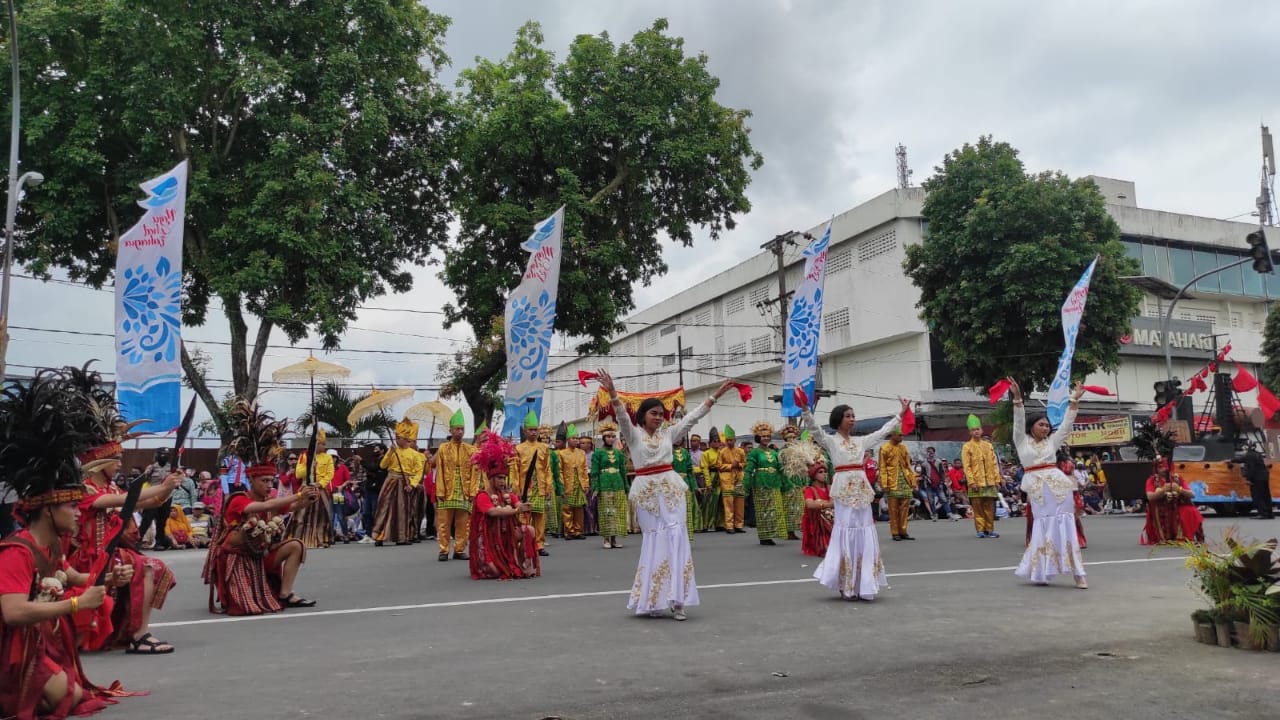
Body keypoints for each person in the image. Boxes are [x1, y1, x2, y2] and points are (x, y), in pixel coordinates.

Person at [0, 367, 138, 719]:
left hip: (33, 641)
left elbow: (75, 579)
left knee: (73, 694)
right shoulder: (17, 551)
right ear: (48, 510)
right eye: (72, 505)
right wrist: (75, 606)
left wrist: (108, 581)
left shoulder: (53, 547)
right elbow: (13, 613)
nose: (80, 512)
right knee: (71, 698)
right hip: (8, 647)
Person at [595, 370, 736, 620]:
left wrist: (716, 395)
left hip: (671, 490)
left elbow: (693, 418)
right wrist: (613, 392)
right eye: (654, 413)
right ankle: (653, 600)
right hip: (647, 492)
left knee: (676, 537)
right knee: (655, 541)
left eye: (661, 414)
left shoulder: (669, 434)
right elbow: (621, 417)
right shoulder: (634, 434)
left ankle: (678, 600)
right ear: (643, 415)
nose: (659, 418)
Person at [203, 401, 321, 615]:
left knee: (296, 545)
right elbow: (268, 505)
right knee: (247, 607)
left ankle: (286, 594)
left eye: (271, 480)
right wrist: (298, 494)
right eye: (264, 481)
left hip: (261, 556)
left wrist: (308, 499)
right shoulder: (240, 499)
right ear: (253, 480)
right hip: (239, 559)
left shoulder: (273, 498)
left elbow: (292, 506)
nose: (269, 485)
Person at [799, 391, 908, 600]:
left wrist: (900, 414)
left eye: (853, 416)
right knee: (846, 532)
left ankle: (863, 583)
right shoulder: (831, 441)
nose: (852, 419)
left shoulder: (861, 442)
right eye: (848, 416)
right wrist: (805, 409)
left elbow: (883, 431)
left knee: (864, 533)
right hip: (843, 493)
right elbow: (814, 429)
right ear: (839, 420)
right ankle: (845, 583)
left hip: (862, 492)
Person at [1009, 379, 1088, 589]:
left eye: (1047, 425)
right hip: (1037, 490)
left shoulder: (1052, 442)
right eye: (1041, 424)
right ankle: (1041, 571)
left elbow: (1066, 424)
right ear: (1032, 426)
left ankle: (1079, 574)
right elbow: (1018, 421)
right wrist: (1017, 398)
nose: (1045, 428)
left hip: (1059, 489)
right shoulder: (1021, 441)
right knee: (1041, 528)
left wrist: (1073, 400)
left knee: (1066, 526)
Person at [372, 419, 425, 546]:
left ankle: (402, 537)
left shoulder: (415, 454)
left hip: (405, 483)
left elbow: (419, 472)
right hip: (390, 481)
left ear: (406, 439)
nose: (396, 440)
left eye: (399, 438)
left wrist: (412, 485)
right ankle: (379, 536)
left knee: (402, 510)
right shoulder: (393, 451)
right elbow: (383, 465)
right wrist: (390, 452)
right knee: (384, 507)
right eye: (396, 437)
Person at [434, 409, 478, 561]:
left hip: (464, 491)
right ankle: (444, 550)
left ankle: (459, 549)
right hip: (447, 490)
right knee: (444, 523)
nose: (459, 432)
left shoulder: (470, 449)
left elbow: (475, 471)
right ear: (451, 430)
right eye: (457, 429)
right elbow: (439, 470)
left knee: (463, 523)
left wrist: (473, 491)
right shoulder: (443, 448)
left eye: (462, 429)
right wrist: (439, 490)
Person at [511, 411, 554, 557]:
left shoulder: (544, 448)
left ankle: (539, 545)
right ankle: (524, 542)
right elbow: (515, 470)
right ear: (525, 430)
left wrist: (548, 486)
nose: (534, 432)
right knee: (524, 517)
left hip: (540, 486)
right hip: (525, 488)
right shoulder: (518, 448)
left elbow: (548, 469)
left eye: (536, 429)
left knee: (540, 517)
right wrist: (516, 488)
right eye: (531, 429)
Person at [290, 429, 337, 548]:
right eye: (322, 444)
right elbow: (298, 474)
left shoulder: (327, 458)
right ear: (315, 444)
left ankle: (320, 540)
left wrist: (320, 484)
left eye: (324, 444)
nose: (324, 446)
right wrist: (310, 466)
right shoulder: (304, 455)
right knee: (300, 516)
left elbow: (330, 474)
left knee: (321, 517)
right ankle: (298, 540)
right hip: (306, 488)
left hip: (320, 489)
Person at [1140, 459, 1205, 545]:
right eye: (1160, 467)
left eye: (1166, 467)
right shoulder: (1152, 480)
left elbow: (1192, 494)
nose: (1164, 469)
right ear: (1156, 469)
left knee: (1191, 511)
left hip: (1177, 506)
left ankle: (1189, 537)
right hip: (1159, 508)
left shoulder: (1177, 479)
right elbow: (1150, 497)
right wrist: (1163, 491)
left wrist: (1179, 489)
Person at [744, 421, 787, 546]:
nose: (766, 438)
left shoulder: (774, 453)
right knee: (763, 509)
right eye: (763, 436)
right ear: (758, 437)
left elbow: (780, 469)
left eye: (768, 436)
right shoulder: (755, 452)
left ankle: (772, 533)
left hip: (774, 482)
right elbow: (748, 469)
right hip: (760, 482)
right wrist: (746, 483)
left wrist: (786, 482)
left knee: (775, 509)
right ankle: (764, 536)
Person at [590, 421, 629, 549]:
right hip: (604, 483)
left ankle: (614, 540)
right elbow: (594, 473)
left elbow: (623, 470)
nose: (611, 439)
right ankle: (606, 539)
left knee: (617, 511)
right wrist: (596, 487)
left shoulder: (619, 453)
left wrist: (626, 486)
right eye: (608, 436)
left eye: (613, 436)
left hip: (618, 483)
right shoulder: (598, 453)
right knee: (607, 511)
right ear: (603, 438)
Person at [961, 414, 1001, 538]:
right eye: (973, 430)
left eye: (978, 429)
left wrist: (997, 479)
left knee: (989, 507)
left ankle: (990, 529)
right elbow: (967, 466)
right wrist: (971, 482)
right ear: (970, 432)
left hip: (989, 482)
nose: (976, 431)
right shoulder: (967, 446)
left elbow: (994, 464)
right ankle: (980, 530)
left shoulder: (988, 446)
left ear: (981, 430)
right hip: (976, 483)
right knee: (978, 508)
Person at [878, 428, 917, 541]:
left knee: (905, 508)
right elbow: (882, 467)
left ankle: (903, 531)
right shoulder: (884, 448)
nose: (902, 437)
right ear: (893, 435)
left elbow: (908, 466)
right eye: (899, 435)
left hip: (904, 482)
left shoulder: (903, 447)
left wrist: (913, 481)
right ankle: (895, 532)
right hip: (892, 482)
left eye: (902, 435)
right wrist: (884, 484)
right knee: (893, 509)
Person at [558, 424, 590, 541]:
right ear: (567, 440)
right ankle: (569, 531)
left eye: (576, 438)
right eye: (573, 438)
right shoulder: (561, 453)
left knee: (579, 508)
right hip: (568, 483)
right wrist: (562, 485)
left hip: (579, 483)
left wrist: (586, 484)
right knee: (567, 508)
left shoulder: (581, 453)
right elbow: (559, 470)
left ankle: (578, 530)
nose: (575, 440)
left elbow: (584, 469)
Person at [777, 426, 808, 541]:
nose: (792, 439)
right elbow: (781, 469)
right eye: (789, 437)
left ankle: (796, 529)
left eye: (794, 437)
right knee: (788, 507)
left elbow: (804, 468)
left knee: (799, 507)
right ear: (785, 439)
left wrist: (805, 482)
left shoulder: (799, 450)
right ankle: (788, 531)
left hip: (799, 480)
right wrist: (787, 482)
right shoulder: (782, 452)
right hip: (787, 481)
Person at [672, 432, 701, 542]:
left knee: (686, 510)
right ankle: (675, 537)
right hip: (672, 484)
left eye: (680, 437)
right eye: (676, 437)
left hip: (685, 484)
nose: (678, 440)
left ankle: (686, 538)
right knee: (674, 511)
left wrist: (694, 486)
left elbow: (690, 471)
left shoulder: (685, 453)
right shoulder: (667, 452)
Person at [717, 425, 747, 534]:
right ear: (725, 440)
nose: (730, 442)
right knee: (728, 504)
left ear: (735, 440)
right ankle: (729, 526)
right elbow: (719, 466)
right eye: (728, 440)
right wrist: (730, 466)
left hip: (739, 479)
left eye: (732, 440)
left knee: (740, 503)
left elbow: (745, 463)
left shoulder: (741, 451)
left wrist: (739, 465)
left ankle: (739, 525)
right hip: (727, 481)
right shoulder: (722, 452)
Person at [802, 461, 834, 558]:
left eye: (825, 471)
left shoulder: (830, 488)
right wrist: (828, 504)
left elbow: (836, 503)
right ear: (814, 475)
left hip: (832, 517)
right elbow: (810, 504)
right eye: (820, 472)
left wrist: (820, 503)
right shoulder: (810, 489)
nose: (824, 474)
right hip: (818, 521)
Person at [699, 427, 723, 532]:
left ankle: (719, 524)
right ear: (710, 442)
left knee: (720, 501)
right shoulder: (706, 453)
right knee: (709, 502)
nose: (717, 443)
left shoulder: (722, 452)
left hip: (721, 478)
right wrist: (708, 483)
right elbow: (704, 468)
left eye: (718, 441)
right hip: (712, 476)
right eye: (714, 441)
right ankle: (706, 524)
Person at [1242, 444, 1274, 519]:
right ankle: (1269, 513)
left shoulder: (1249, 455)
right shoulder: (1258, 454)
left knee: (1257, 496)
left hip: (1256, 479)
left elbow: (1251, 469)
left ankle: (1262, 513)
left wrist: (1249, 479)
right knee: (1266, 495)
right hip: (1264, 477)